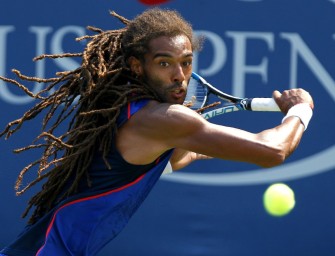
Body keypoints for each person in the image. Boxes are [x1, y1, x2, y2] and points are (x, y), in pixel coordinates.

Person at [0, 8, 313, 256]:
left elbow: (175, 157)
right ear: (138, 66)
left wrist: (209, 145)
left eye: (186, 63)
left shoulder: (132, 114)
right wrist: (300, 110)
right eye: (165, 64)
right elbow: (272, 151)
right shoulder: (163, 120)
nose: (180, 76)